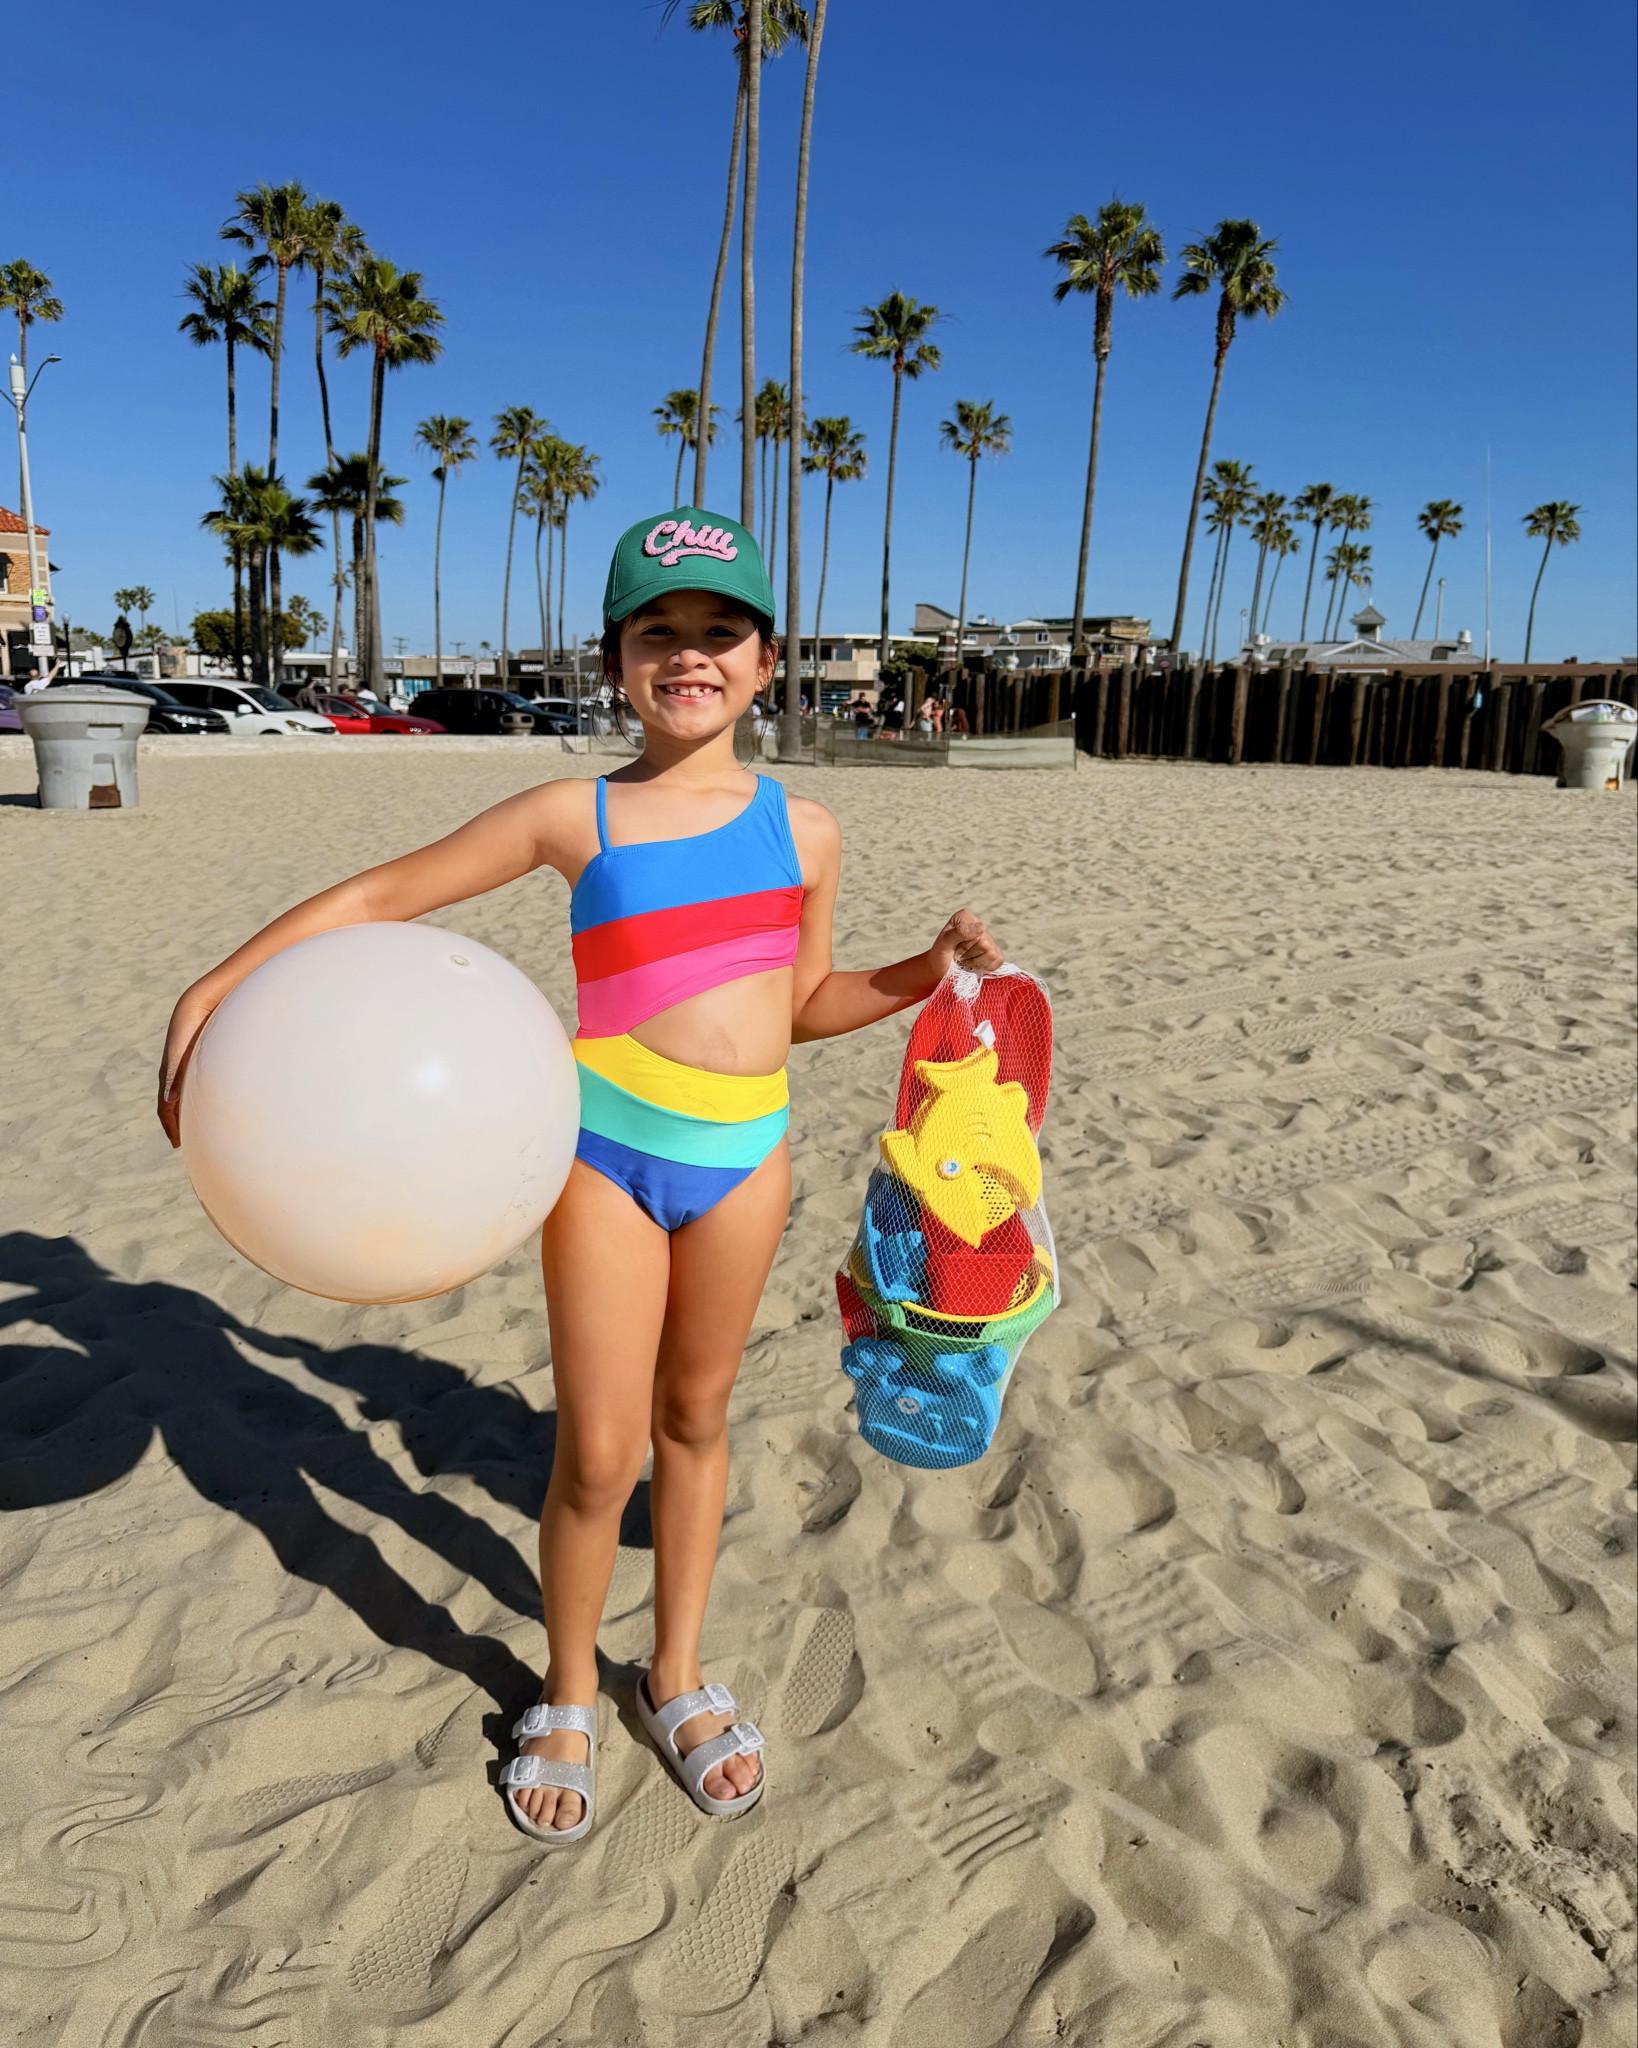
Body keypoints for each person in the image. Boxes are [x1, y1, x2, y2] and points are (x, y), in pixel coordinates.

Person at [156, 507, 1001, 1845]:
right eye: (656, 633)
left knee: (698, 1423)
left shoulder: (808, 829)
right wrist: (220, 981)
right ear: (617, 660)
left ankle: (671, 1674)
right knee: (600, 1455)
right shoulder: (577, 812)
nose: (688, 656)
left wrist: (921, 974)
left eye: (717, 632)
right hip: (599, 1158)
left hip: (745, 1162)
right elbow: (385, 897)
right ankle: (563, 1688)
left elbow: (798, 1003)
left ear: (765, 660)